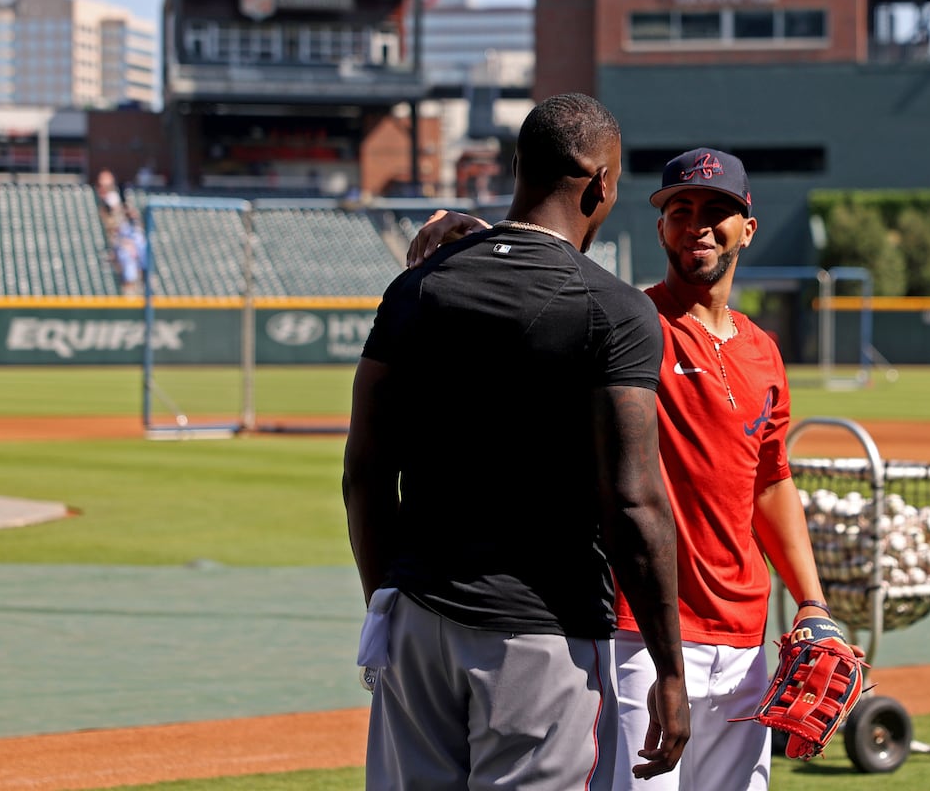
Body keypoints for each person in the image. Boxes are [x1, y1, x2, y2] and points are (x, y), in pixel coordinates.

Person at [409, 147, 834, 791]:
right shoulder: (627, 320)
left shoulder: (763, 352)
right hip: (640, 634)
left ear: (748, 227)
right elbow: (543, 279)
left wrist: (813, 602)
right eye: (681, 209)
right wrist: (479, 233)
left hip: (746, 639)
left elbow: (770, 481)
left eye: (717, 211)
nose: (698, 224)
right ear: (659, 226)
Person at [344, 93, 689, 791]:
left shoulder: (417, 287)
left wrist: (389, 603)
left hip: (417, 624)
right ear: (600, 182)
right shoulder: (615, 311)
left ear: (516, 168)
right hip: (544, 636)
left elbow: (366, 474)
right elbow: (633, 504)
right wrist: (670, 669)